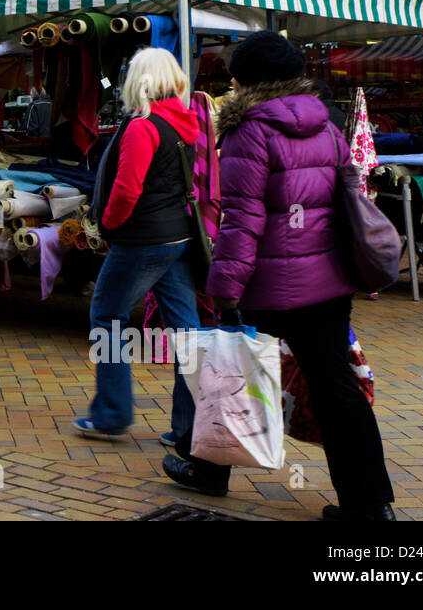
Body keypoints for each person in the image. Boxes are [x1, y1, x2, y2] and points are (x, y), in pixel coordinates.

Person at [162, 31, 395, 521]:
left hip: (268, 285)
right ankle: (370, 505)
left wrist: (223, 289)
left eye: (234, 72)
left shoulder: (250, 129)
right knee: (337, 388)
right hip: (328, 282)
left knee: (229, 374)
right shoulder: (327, 125)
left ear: (247, 80)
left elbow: (243, 219)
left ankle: (209, 471)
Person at [74, 47, 202, 442]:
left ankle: (112, 414)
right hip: (177, 236)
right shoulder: (186, 123)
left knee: (107, 318)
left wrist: (107, 226)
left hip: (142, 239)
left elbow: (127, 190)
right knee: (188, 334)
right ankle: (190, 426)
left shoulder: (142, 127)